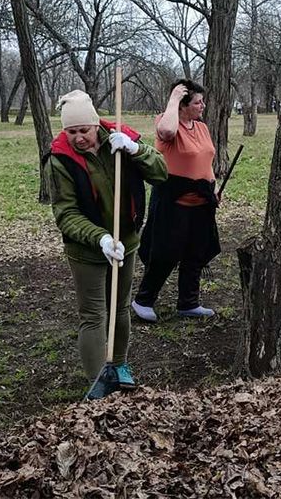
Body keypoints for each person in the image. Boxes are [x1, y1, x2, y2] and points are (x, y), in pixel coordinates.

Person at [45, 90, 167, 392]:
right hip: (87, 250)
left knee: (121, 307)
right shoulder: (60, 160)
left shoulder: (119, 141)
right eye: (71, 132)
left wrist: (135, 150)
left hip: (127, 240)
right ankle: (98, 382)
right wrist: (99, 237)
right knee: (94, 314)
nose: (78, 138)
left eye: (83, 130)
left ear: (95, 124)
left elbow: (161, 173)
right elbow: (66, 213)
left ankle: (119, 365)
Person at [132, 79, 221, 322]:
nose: (202, 105)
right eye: (197, 102)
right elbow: (167, 132)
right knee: (165, 252)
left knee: (196, 252)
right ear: (182, 105)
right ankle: (143, 300)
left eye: (202, 101)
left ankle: (188, 303)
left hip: (202, 200)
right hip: (174, 199)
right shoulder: (167, 123)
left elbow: (207, 159)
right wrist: (172, 98)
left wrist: (212, 189)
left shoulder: (201, 127)